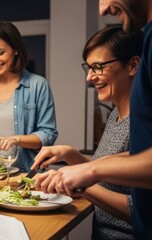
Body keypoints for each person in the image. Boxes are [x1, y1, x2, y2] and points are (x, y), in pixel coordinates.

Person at [32, 0, 152, 238]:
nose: (89, 77)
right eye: (88, 67)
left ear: (133, 65)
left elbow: (138, 209)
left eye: (98, 67)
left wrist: (81, 186)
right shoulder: (116, 115)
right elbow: (109, 176)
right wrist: (70, 155)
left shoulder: (138, 121)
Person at [0, 21, 58, 172]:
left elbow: (48, 133)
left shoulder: (38, 85)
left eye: (0, 52)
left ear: (15, 50)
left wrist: (16, 139)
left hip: (24, 174)